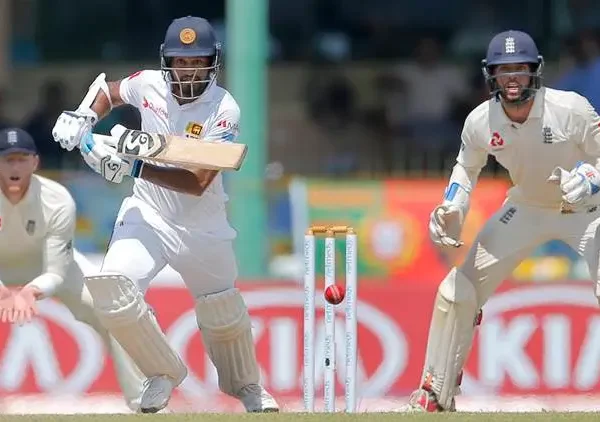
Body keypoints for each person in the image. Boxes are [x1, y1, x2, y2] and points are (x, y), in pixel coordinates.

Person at [50, 16, 279, 413]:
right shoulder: (148, 83)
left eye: (197, 61)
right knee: (113, 291)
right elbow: (108, 90)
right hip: (148, 214)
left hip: (203, 226)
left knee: (222, 312)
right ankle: (161, 372)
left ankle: (247, 387)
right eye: (181, 61)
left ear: (212, 62)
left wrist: (134, 165)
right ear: (167, 61)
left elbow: (198, 181)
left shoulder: (224, 108)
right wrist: (84, 116)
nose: (189, 70)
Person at [404, 29, 600, 412]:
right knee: (457, 290)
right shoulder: (481, 121)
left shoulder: (571, 109)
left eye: (520, 69)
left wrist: (591, 178)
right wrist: (453, 207)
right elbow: (466, 168)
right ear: (490, 75)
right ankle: (435, 393)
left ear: (534, 71)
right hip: (527, 208)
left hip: (588, 210)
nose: (512, 78)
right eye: (503, 69)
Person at [0, 127, 146, 412]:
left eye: (21, 159)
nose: (14, 167)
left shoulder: (56, 199)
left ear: (35, 162)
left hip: (46, 265)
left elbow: (57, 269)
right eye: (7, 160)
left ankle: (144, 403)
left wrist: (31, 291)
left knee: (111, 310)